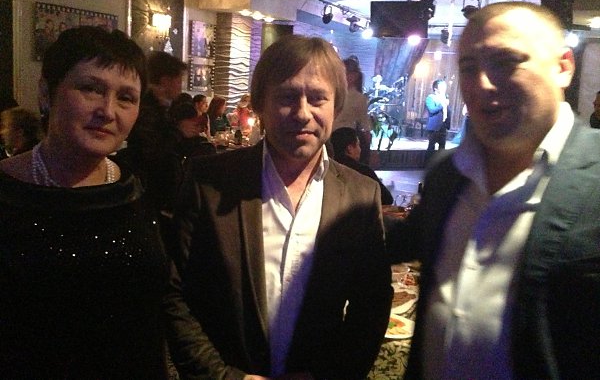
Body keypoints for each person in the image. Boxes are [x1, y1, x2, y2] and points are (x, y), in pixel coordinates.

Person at [388, 2, 600, 379]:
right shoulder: (447, 173)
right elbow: (402, 243)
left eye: (506, 61)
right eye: (469, 67)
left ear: (563, 67)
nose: (482, 83)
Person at [165, 34, 392, 380]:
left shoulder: (361, 195)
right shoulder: (208, 181)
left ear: (336, 107)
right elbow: (175, 293)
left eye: (317, 98)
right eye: (287, 97)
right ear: (260, 104)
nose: (302, 113)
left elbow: (371, 304)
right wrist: (223, 376)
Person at [0, 26, 169, 378]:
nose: (108, 111)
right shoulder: (9, 191)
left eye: (126, 97)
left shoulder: (136, 188)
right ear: (46, 92)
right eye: (91, 89)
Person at [125, 50, 187, 216]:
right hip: (150, 196)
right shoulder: (147, 108)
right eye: (179, 80)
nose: (181, 86)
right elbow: (151, 152)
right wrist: (179, 132)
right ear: (166, 81)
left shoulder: (161, 106)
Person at [330, 127, 394, 205]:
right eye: (358, 145)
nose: (360, 150)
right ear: (350, 148)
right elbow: (387, 199)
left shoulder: (327, 169)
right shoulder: (363, 171)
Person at [333, 57, 372, 164]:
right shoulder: (334, 93)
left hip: (346, 140)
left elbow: (365, 124)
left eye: (345, 73)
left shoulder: (359, 98)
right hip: (331, 137)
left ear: (354, 76)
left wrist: (368, 148)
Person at [424, 78, 450, 162]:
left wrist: (447, 123)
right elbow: (432, 110)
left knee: (442, 148)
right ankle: (427, 165)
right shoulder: (430, 98)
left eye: (444, 86)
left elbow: (447, 112)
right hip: (434, 127)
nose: (444, 88)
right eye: (441, 86)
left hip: (443, 126)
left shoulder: (445, 98)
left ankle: (439, 166)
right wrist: (442, 104)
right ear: (435, 88)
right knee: (431, 147)